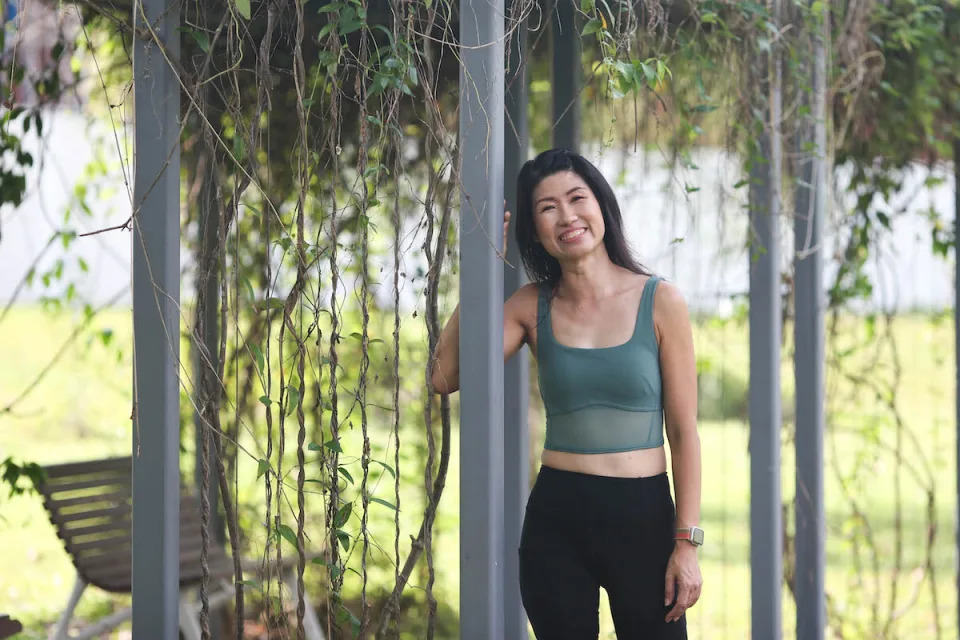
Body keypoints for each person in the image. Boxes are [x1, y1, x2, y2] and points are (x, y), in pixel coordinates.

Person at [430, 148, 702, 639]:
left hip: (643, 517)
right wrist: (483, 261)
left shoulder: (661, 302)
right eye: (547, 207)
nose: (568, 215)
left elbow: (683, 433)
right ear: (534, 231)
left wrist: (687, 543)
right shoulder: (530, 306)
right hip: (558, 516)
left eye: (578, 198)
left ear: (601, 206)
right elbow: (444, 376)